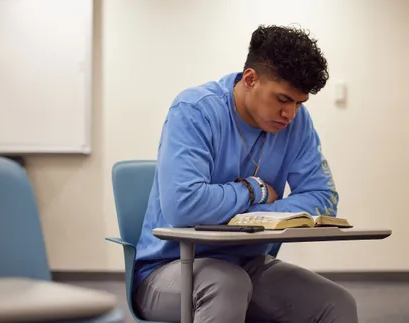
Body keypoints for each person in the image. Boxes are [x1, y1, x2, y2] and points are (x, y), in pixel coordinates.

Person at [133, 24, 358, 323]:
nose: (290, 114)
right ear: (250, 79)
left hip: (247, 264)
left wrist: (250, 213)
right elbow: (183, 207)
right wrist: (255, 190)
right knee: (226, 286)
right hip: (170, 268)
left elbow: (323, 199)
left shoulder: (297, 122)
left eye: (299, 103)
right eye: (282, 99)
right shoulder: (194, 110)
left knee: (336, 302)